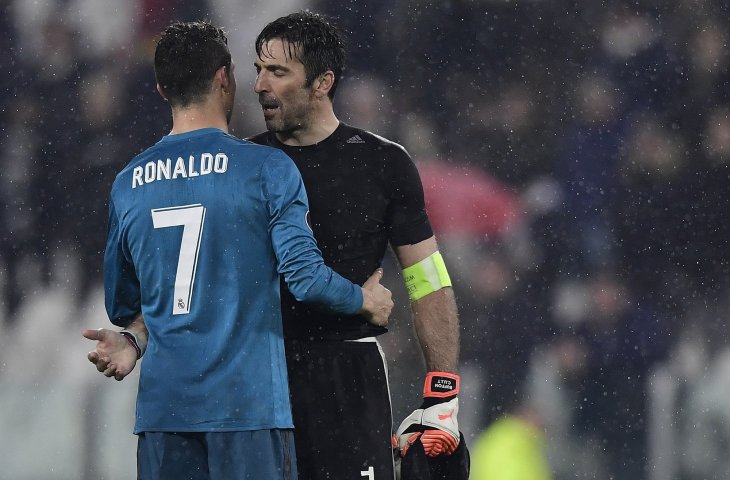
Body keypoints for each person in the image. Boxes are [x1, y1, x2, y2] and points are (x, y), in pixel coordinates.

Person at [81, 20, 393, 480]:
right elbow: (305, 278)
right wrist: (362, 299)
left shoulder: (129, 182)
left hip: (166, 417)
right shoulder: (265, 167)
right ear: (224, 77)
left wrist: (133, 339)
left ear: (162, 88)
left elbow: (125, 304)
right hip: (247, 411)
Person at [248, 11, 463, 479]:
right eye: (258, 70)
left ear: (322, 82)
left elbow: (426, 277)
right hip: (260, 374)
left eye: (278, 72)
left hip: (348, 373)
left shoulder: (384, 163)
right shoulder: (245, 164)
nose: (260, 84)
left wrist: (442, 393)